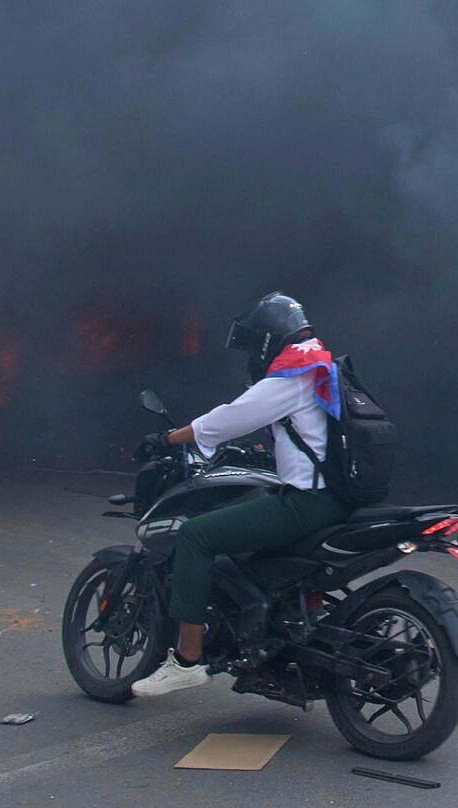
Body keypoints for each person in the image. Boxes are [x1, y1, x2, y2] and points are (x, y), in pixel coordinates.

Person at [130, 292, 351, 698]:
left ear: (268, 336)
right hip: (337, 499)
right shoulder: (325, 365)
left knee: (196, 536)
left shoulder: (294, 373)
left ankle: (186, 662)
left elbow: (230, 418)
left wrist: (169, 437)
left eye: (254, 342)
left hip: (306, 504)